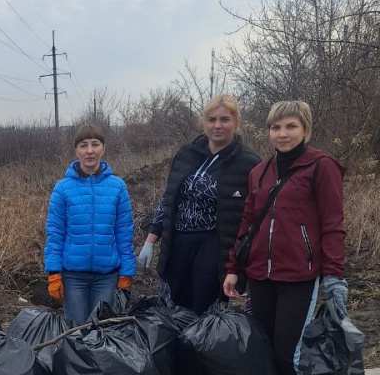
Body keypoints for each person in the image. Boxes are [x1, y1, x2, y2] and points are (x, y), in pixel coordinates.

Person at [224, 100, 346, 375]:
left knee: (291, 353)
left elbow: (332, 225)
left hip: (300, 276)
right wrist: (235, 267)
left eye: (290, 126)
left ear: (305, 130)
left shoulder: (322, 168)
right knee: (265, 352)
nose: (283, 134)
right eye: (276, 128)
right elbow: (247, 224)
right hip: (262, 274)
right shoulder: (260, 172)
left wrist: (334, 277)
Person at [137, 95, 260, 314]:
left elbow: (252, 219)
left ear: (236, 122)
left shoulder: (248, 163)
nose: (217, 126)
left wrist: (243, 265)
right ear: (204, 122)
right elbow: (169, 198)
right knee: (172, 307)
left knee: (205, 309)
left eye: (225, 119)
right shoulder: (186, 153)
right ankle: (172, 347)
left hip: (214, 246)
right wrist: (150, 241)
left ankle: (202, 347)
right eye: (212, 119)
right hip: (177, 243)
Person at [44, 123, 136, 325]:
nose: (89, 150)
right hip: (73, 277)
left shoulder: (117, 187)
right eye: (83, 145)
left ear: (103, 148)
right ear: (76, 150)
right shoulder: (63, 189)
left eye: (95, 144)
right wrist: (54, 274)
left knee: (102, 330)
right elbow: (55, 234)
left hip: (107, 277)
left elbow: (124, 233)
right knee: (76, 331)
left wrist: (126, 273)